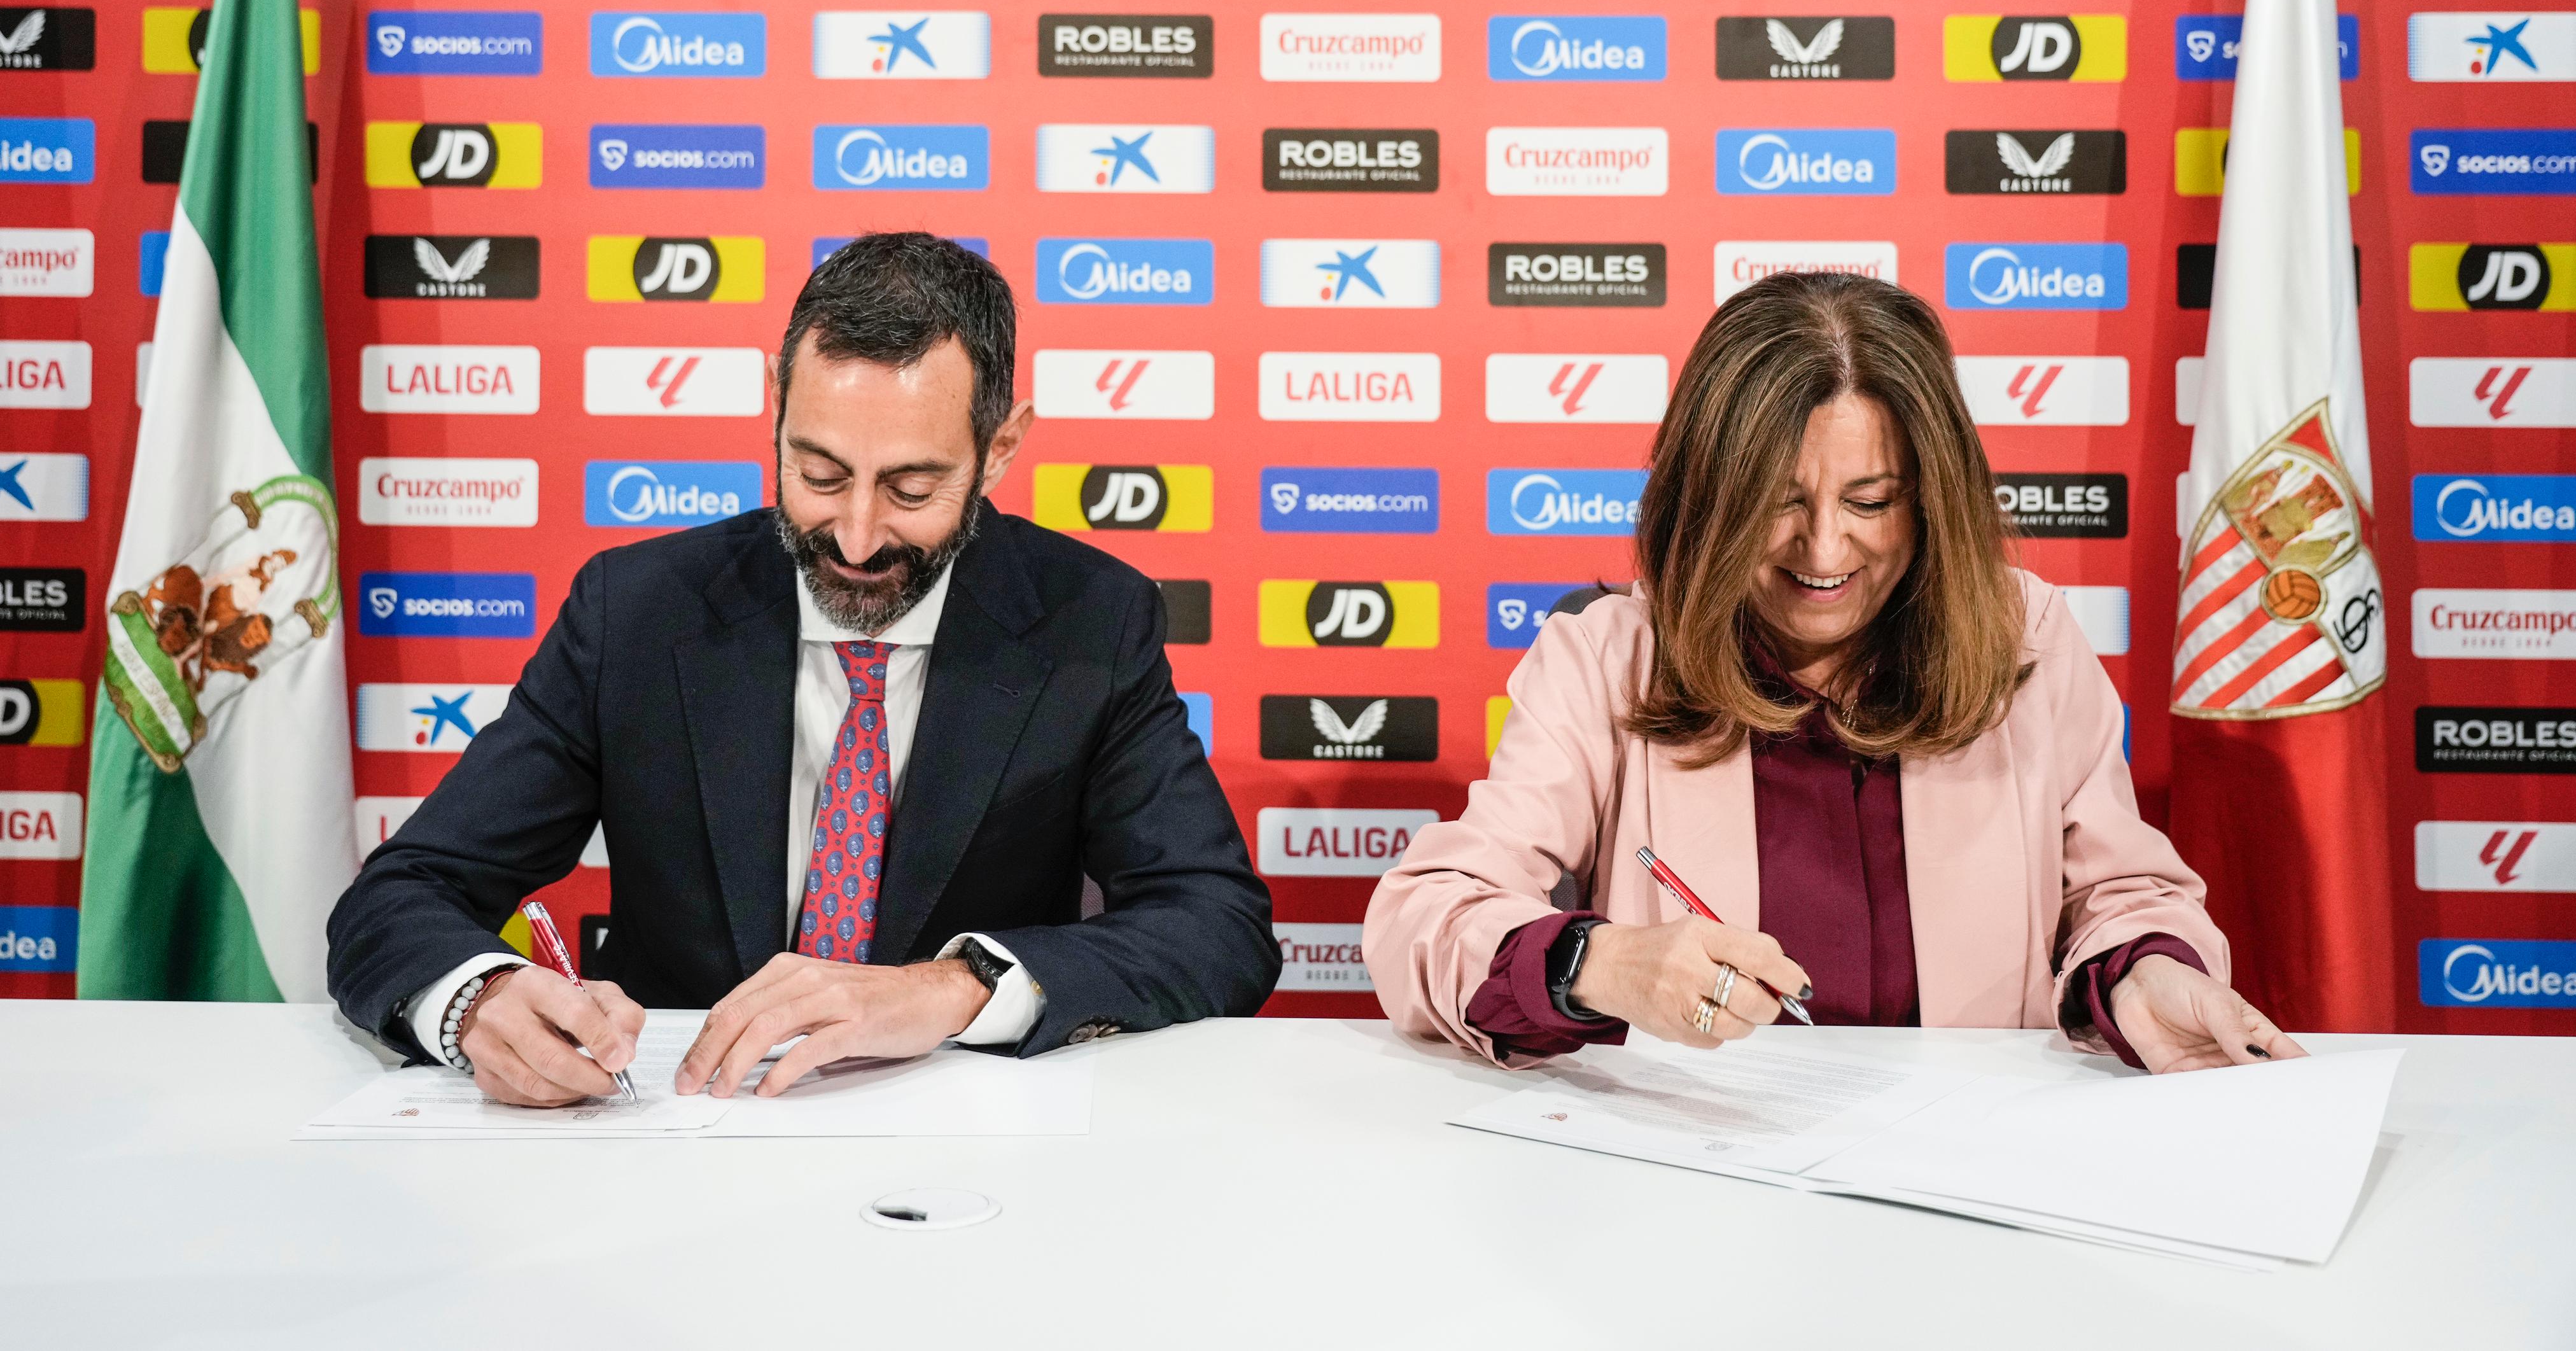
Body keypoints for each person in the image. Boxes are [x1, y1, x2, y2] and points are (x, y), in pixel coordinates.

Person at [329, 233, 1278, 1105]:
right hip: (675, 1130)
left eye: (912, 488)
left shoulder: (1090, 620)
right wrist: (474, 999)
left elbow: (1218, 923)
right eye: (819, 473)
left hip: (966, 1143)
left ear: (999, 449)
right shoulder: (638, 610)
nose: (857, 537)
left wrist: (956, 985)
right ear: (774, 404)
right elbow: (403, 893)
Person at [1365, 271, 2306, 1074]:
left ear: (1930, 498)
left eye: (1870, 500)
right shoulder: (1609, 658)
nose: (1824, 547)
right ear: (1710, 499)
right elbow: (1424, 917)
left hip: (1973, 1174)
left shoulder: (2030, 639)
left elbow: (2123, 893)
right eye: (1778, 503)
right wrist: (1600, 963)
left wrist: (2147, 971)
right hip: (1695, 1185)